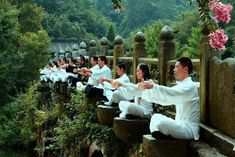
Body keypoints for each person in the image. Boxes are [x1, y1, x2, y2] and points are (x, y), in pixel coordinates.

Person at [141, 57, 199, 140]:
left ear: (185, 69)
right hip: (179, 124)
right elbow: (166, 99)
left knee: (163, 124)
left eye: (176, 67)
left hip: (188, 129)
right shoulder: (182, 85)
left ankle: (162, 133)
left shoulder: (190, 86)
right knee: (155, 117)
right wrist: (150, 89)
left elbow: (171, 93)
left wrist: (153, 86)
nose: (174, 70)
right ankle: (161, 133)